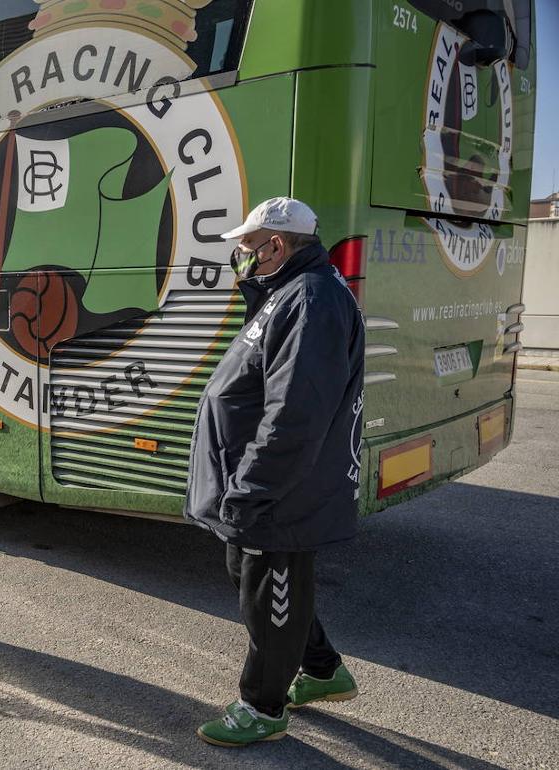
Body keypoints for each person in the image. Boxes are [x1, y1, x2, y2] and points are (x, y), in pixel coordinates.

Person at [185, 197, 365, 747]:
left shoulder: (310, 300)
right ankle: (322, 669)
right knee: (252, 576)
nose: (240, 258)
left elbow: (296, 414)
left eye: (247, 248)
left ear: (276, 246)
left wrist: (252, 488)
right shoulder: (291, 293)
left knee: (269, 590)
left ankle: (263, 707)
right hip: (269, 485)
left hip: (281, 492)